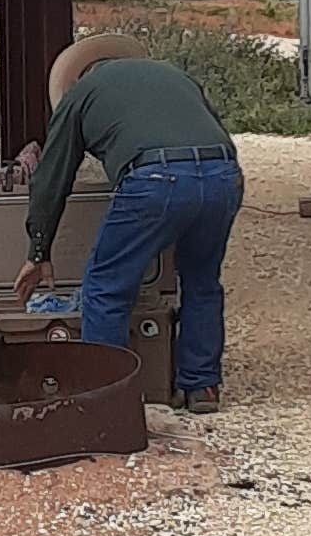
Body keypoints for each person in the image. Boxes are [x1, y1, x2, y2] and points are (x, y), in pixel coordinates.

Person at [14, 33, 244, 412]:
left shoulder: (81, 93)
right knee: (202, 281)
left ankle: (107, 396)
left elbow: (51, 178)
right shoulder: (174, 75)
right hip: (223, 174)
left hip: (155, 181)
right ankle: (202, 386)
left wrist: (38, 250)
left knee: (106, 287)